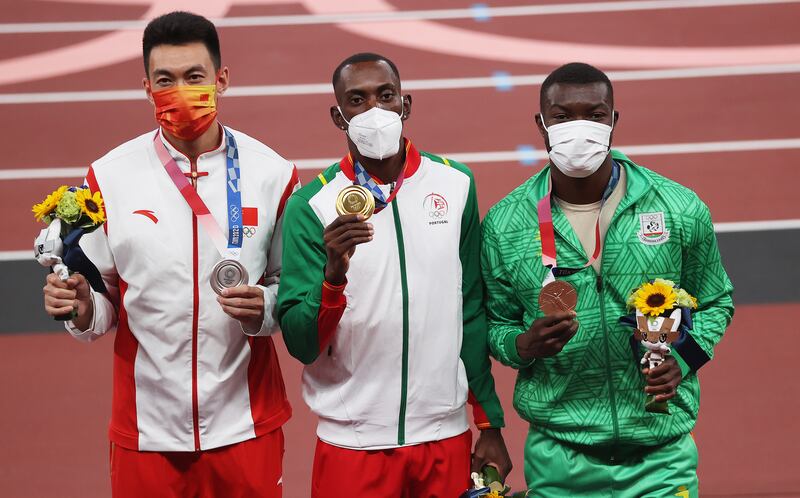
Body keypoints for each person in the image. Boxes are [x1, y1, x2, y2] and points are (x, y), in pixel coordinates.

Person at [41, 11, 297, 497]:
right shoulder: (109, 177)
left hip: (246, 424)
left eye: (194, 77)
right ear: (146, 87)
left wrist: (265, 308)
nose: (180, 91)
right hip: (146, 431)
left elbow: (290, 287)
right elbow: (103, 303)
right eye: (165, 80)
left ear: (221, 80)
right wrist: (81, 307)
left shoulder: (273, 174)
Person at [481, 62, 734, 497]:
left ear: (613, 121)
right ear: (541, 124)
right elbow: (494, 325)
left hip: (661, 459)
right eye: (562, 117)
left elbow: (715, 301)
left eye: (595, 115)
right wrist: (522, 346)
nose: (579, 128)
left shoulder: (677, 207)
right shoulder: (506, 225)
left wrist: (686, 357)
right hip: (559, 461)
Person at [277, 52, 511, 497]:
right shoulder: (312, 207)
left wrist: (489, 422)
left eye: (386, 96)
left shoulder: (455, 184)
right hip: (353, 445)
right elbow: (301, 344)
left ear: (406, 104)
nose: (374, 111)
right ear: (338, 116)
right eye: (357, 100)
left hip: (444, 437)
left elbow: (471, 308)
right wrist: (332, 275)